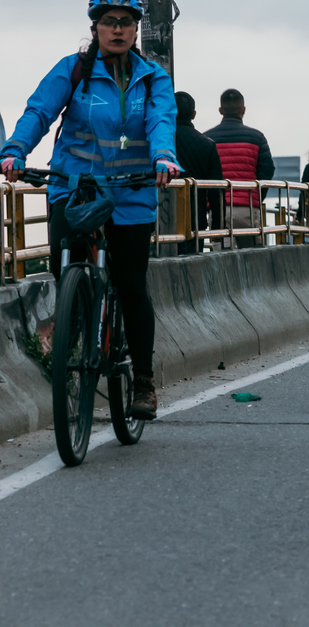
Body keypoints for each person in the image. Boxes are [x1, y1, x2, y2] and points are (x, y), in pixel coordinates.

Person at [0, 0, 180, 419]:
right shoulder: (74, 69)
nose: (117, 30)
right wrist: (15, 151)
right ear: (96, 27)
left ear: (137, 30)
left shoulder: (153, 79)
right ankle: (71, 333)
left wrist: (164, 157)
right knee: (67, 271)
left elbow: (160, 123)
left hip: (131, 193)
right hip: (74, 188)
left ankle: (144, 382)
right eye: (109, 22)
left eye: (126, 23)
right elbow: (39, 111)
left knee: (132, 284)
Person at [204, 88, 275, 248]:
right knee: (250, 259)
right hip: (248, 207)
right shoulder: (257, 137)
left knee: (221, 259)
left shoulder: (208, 138)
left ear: (220, 110)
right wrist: (257, 196)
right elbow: (267, 170)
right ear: (243, 110)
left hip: (218, 211)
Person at [174, 91, 223, 254]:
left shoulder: (157, 143)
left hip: (162, 218)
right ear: (194, 114)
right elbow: (216, 189)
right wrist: (217, 227)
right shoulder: (207, 145)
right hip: (195, 220)